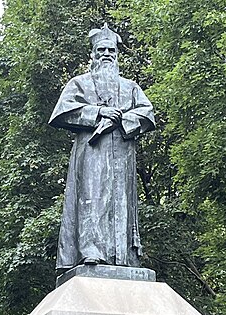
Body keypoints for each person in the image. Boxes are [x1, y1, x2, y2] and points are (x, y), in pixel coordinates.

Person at [49, 24, 155, 272]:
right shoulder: (79, 83)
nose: (107, 53)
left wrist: (122, 120)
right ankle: (91, 252)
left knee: (121, 202)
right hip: (92, 152)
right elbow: (61, 113)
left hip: (122, 152)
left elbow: (147, 113)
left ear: (117, 54)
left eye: (111, 50)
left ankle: (122, 257)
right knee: (92, 198)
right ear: (94, 55)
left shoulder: (130, 87)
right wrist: (98, 113)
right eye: (102, 49)